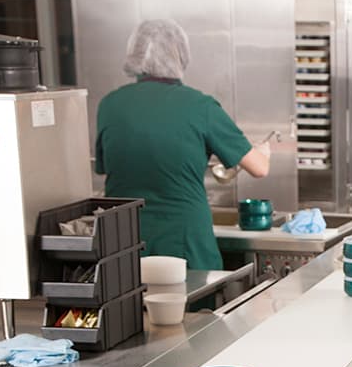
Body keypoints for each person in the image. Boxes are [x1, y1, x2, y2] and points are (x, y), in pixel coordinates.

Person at [95, 19, 270, 271]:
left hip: (124, 241)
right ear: (181, 55)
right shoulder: (200, 107)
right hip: (184, 239)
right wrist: (263, 151)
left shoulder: (110, 105)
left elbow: (104, 168)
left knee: (127, 306)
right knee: (191, 308)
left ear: (135, 54)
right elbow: (258, 168)